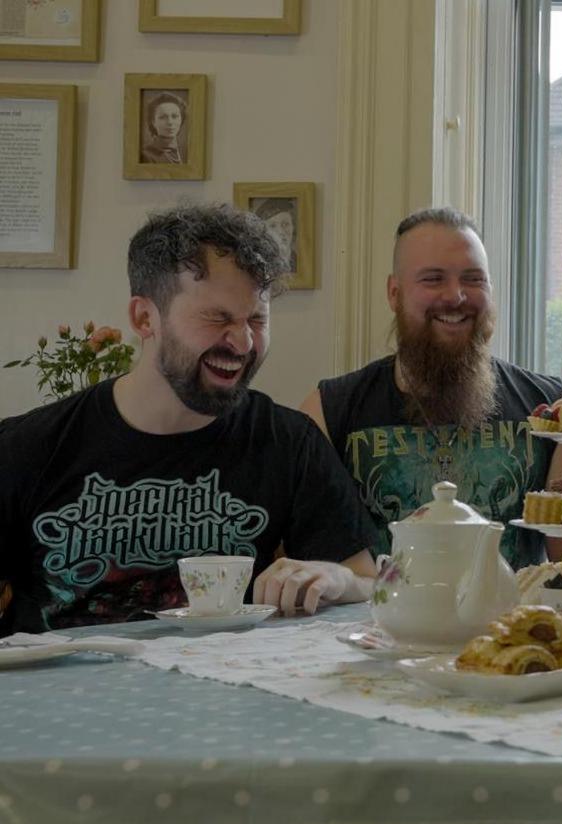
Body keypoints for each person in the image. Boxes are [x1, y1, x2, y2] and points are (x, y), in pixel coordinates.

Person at [0, 203, 376, 634]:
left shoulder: (288, 443)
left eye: (257, 318)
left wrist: (338, 578)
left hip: (226, 692)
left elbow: (371, 583)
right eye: (217, 318)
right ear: (145, 318)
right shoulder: (28, 446)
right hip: (58, 692)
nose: (243, 342)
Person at [300, 208, 562, 569]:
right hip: (374, 625)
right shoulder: (326, 410)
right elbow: (313, 560)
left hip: (515, 625)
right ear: (394, 293)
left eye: (474, 279)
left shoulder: (554, 412)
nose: (456, 296)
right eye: (433, 279)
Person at [140, 91, 186, 164]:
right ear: (153, 122)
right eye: (163, 117)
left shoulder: (186, 152)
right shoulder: (145, 156)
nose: (170, 122)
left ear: (181, 119)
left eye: (175, 116)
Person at [254, 198, 298, 274]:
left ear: (293, 227)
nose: (281, 232)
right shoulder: (258, 263)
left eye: (286, 224)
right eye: (272, 226)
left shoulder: (299, 262)